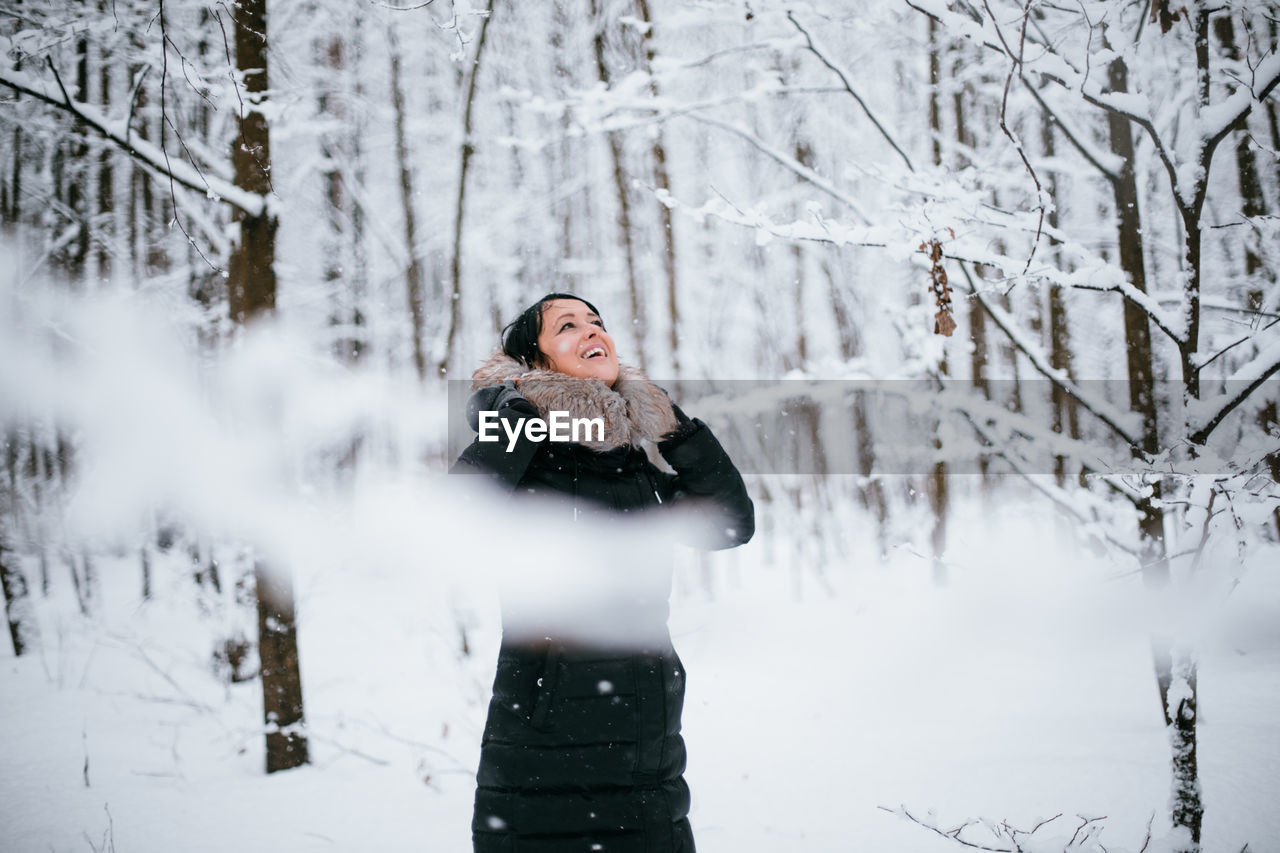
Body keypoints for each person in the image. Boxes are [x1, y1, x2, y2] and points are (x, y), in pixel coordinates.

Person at [452, 293, 754, 853]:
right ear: (537, 362)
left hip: (647, 746)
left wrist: (672, 428)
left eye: (597, 322)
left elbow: (730, 525)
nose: (593, 331)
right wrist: (516, 413)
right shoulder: (527, 451)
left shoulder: (628, 465)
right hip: (544, 751)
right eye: (567, 325)